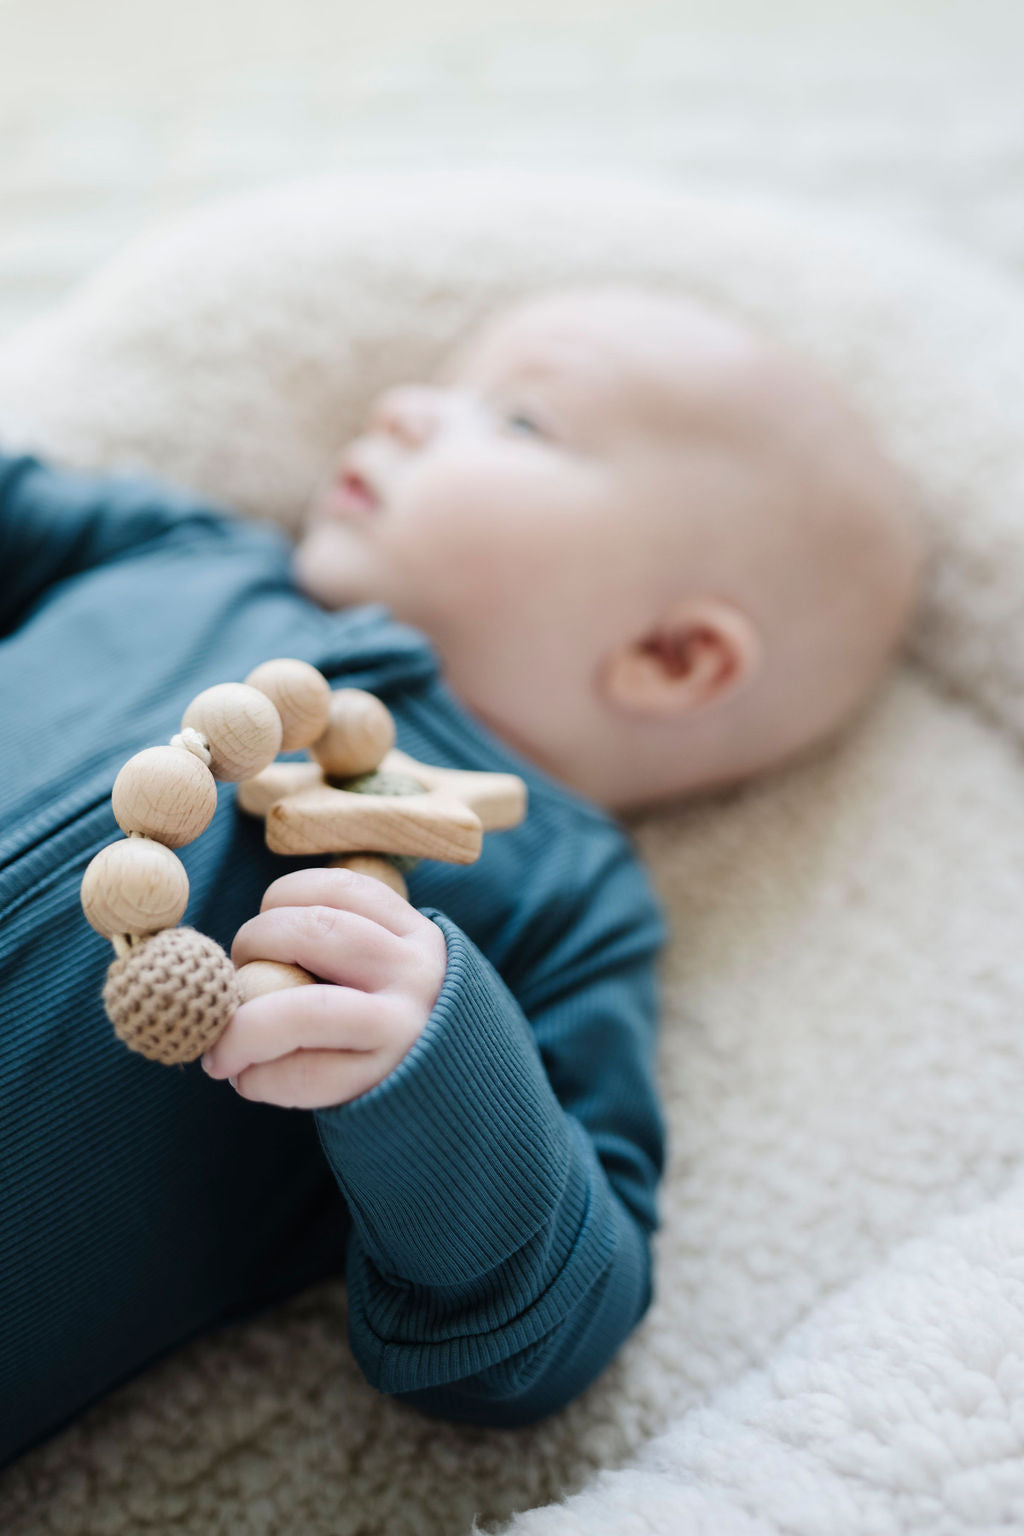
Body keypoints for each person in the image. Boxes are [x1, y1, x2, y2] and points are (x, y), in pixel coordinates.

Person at [0, 284, 921, 1467]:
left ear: (669, 655)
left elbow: (543, 1338)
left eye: (519, 421)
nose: (403, 408)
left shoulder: (564, 903)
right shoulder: (190, 557)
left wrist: (432, 1071)